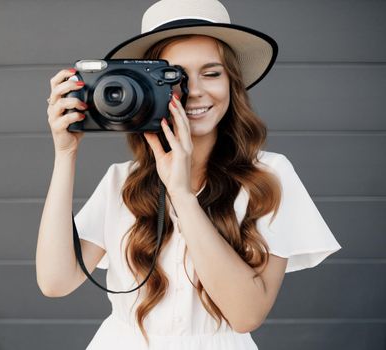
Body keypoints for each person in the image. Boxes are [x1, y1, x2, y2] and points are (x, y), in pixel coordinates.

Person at [36, 0, 342, 349]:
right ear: (149, 87)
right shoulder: (123, 180)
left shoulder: (269, 175)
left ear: (233, 84)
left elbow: (246, 315)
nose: (194, 91)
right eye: (175, 77)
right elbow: (55, 282)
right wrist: (65, 154)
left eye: (212, 73)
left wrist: (180, 193)